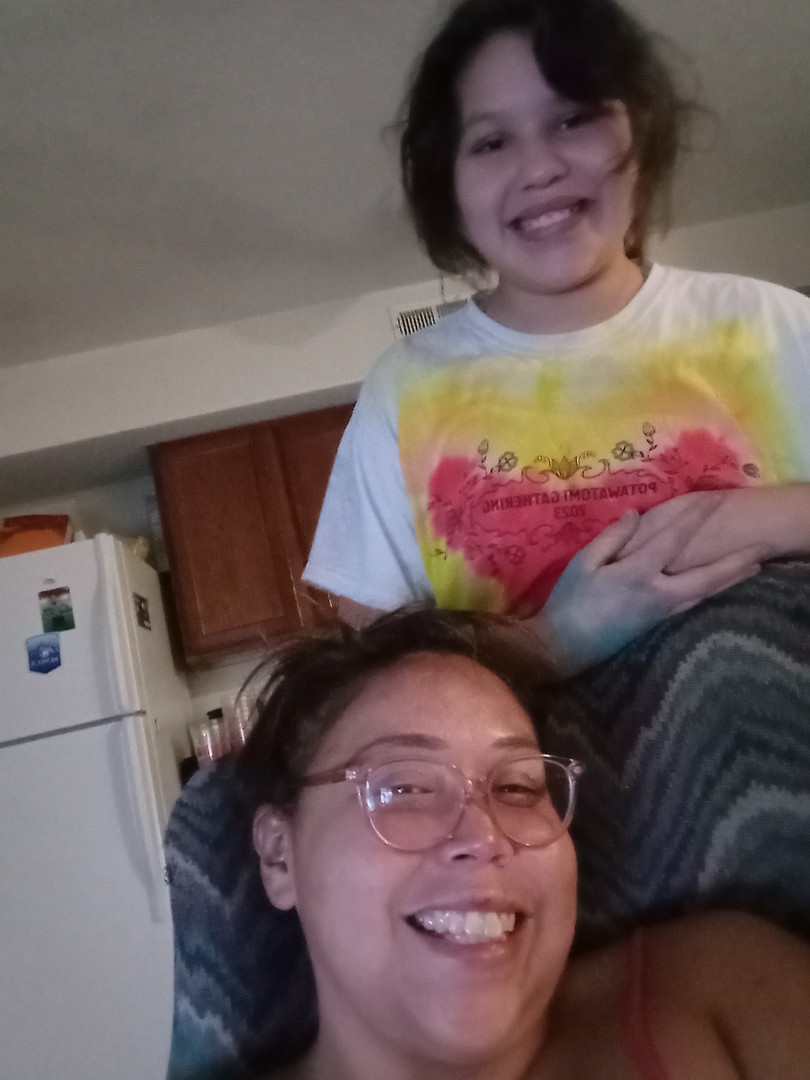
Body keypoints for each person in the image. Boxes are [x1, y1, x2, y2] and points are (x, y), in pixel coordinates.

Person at [303, 0, 810, 673]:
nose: (539, 168)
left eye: (573, 119)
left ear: (640, 134)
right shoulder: (407, 389)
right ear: (448, 187)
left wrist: (768, 518)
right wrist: (553, 640)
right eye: (491, 143)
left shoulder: (775, 326)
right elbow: (371, 669)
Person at [236, 607, 810, 1080]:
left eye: (517, 787)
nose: (485, 835)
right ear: (279, 855)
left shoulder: (718, 986)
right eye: (404, 788)